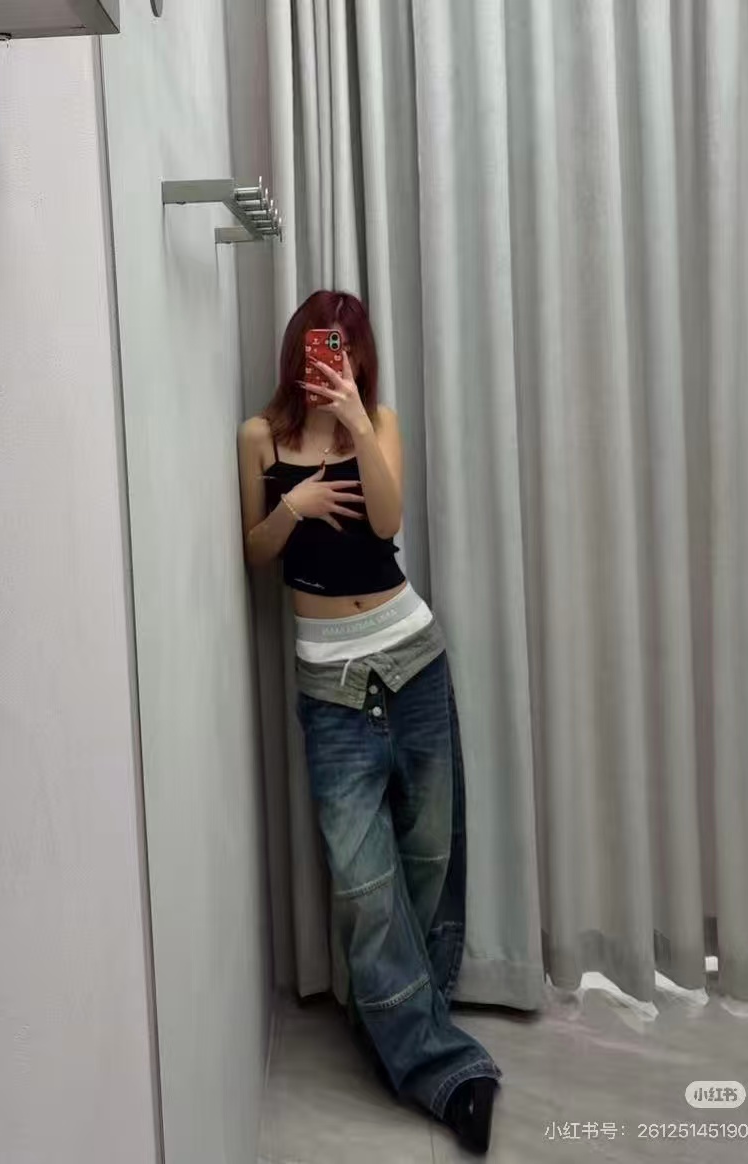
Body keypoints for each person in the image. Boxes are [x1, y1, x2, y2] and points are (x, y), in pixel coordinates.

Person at [238, 290, 502, 1154]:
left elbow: (388, 523)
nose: (335, 360)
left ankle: (402, 1027)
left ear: (361, 358)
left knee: (428, 859)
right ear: (298, 352)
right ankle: (443, 1068)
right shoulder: (259, 436)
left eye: (348, 348)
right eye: (324, 346)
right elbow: (255, 551)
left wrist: (355, 422)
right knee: (362, 886)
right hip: (332, 687)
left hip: (412, 658)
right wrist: (296, 506)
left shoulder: (377, 423)